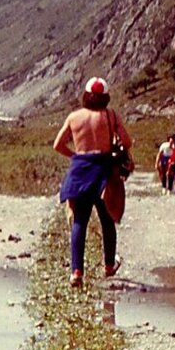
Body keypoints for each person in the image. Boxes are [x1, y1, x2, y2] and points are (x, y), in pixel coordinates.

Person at [53, 77, 133, 288]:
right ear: (106, 96)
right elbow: (127, 142)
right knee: (107, 220)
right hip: (104, 171)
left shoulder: (74, 117)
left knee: (80, 221)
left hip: (80, 170)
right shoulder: (111, 115)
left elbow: (57, 145)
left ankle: (76, 272)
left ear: (86, 95)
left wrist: (75, 156)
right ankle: (108, 266)